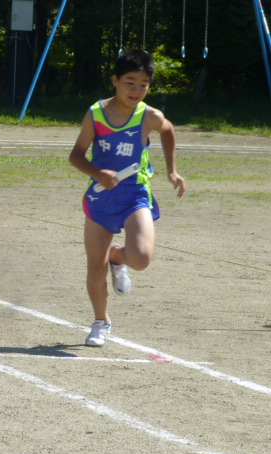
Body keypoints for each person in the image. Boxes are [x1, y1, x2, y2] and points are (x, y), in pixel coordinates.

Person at [69, 49, 186, 347]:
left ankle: (117, 257)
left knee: (141, 259)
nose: (136, 90)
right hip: (101, 198)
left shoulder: (149, 116)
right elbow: (76, 156)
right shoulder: (96, 114)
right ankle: (101, 322)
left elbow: (168, 130)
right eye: (129, 83)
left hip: (135, 194)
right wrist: (98, 173)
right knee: (94, 267)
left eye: (143, 85)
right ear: (115, 81)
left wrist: (172, 170)